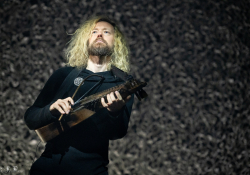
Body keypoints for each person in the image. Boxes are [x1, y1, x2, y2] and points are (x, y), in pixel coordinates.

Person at [24, 16, 134, 175]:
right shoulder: (64, 75)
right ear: (86, 39)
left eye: (106, 32)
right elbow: (30, 118)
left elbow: (117, 133)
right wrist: (50, 110)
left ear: (116, 42)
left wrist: (114, 112)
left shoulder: (121, 85)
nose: (99, 35)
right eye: (94, 31)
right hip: (47, 168)